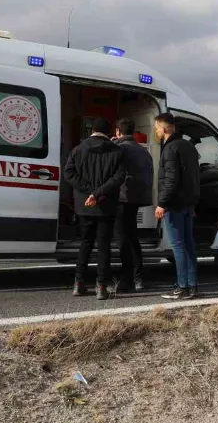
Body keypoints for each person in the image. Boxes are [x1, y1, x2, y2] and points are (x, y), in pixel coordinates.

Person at [63, 117, 126, 300]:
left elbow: (69, 173)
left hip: (84, 205)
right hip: (106, 205)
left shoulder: (78, 149)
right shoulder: (116, 151)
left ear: (91, 130)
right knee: (104, 246)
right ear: (109, 132)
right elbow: (119, 176)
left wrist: (89, 192)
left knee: (86, 243)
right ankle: (101, 287)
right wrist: (99, 193)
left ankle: (78, 284)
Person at [153, 112, 201, 300]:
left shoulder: (170, 149)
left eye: (157, 127)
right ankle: (192, 285)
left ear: (164, 129)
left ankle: (182, 287)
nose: (156, 131)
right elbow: (194, 179)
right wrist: (193, 203)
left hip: (173, 205)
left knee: (178, 246)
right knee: (189, 245)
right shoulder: (188, 146)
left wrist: (162, 203)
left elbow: (171, 180)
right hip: (188, 205)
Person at [112, 118, 153, 292]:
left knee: (122, 240)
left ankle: (127, 279)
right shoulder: (144, 151)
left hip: (122, 198)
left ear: (118, 132)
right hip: (138, 198)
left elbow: (113, 172)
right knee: (133, 237)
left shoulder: (119, 149)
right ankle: (139, 278)